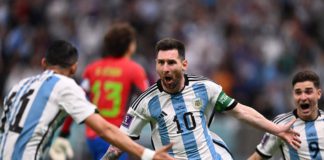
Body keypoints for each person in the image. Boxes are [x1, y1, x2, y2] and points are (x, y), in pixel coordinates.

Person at [102, 38, 301, 160]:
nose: (165, 68)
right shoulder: (145, 102)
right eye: (161, 63)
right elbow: (118, 144)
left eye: (171, 62)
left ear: (184, 64)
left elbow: (240, 111)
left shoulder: (205, 88)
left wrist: (277, 129)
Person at [0, 40, 174, 160]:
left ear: (43, 63)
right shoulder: (65, 85)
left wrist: (60, 137)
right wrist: (148, 154)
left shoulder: (19, 86)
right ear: (74, 67)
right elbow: (104, 129)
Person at [49, 22, 149, 160]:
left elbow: (76, 101)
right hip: (117, 136)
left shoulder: (92, 69)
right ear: (130, 46)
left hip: (93, 136)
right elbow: (149, 102)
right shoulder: (135, 70)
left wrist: (64, 132)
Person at [248, 70, 324, 160]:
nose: (303, 97)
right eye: (298, 92)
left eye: (308, 92)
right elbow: (256, 158)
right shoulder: (281, 124)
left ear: (319, 94)